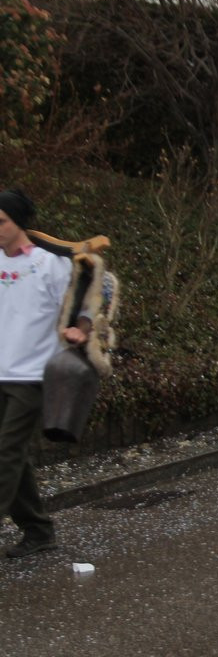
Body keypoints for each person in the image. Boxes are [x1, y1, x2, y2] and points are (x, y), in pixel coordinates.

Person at [1, 189, 90, 558]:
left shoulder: (50, 264)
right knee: (14, 458)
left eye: (2, 220)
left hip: (33, 375)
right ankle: (38, 530)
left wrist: (81, 327)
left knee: (4, 452)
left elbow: (92, 292)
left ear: (19, 222)